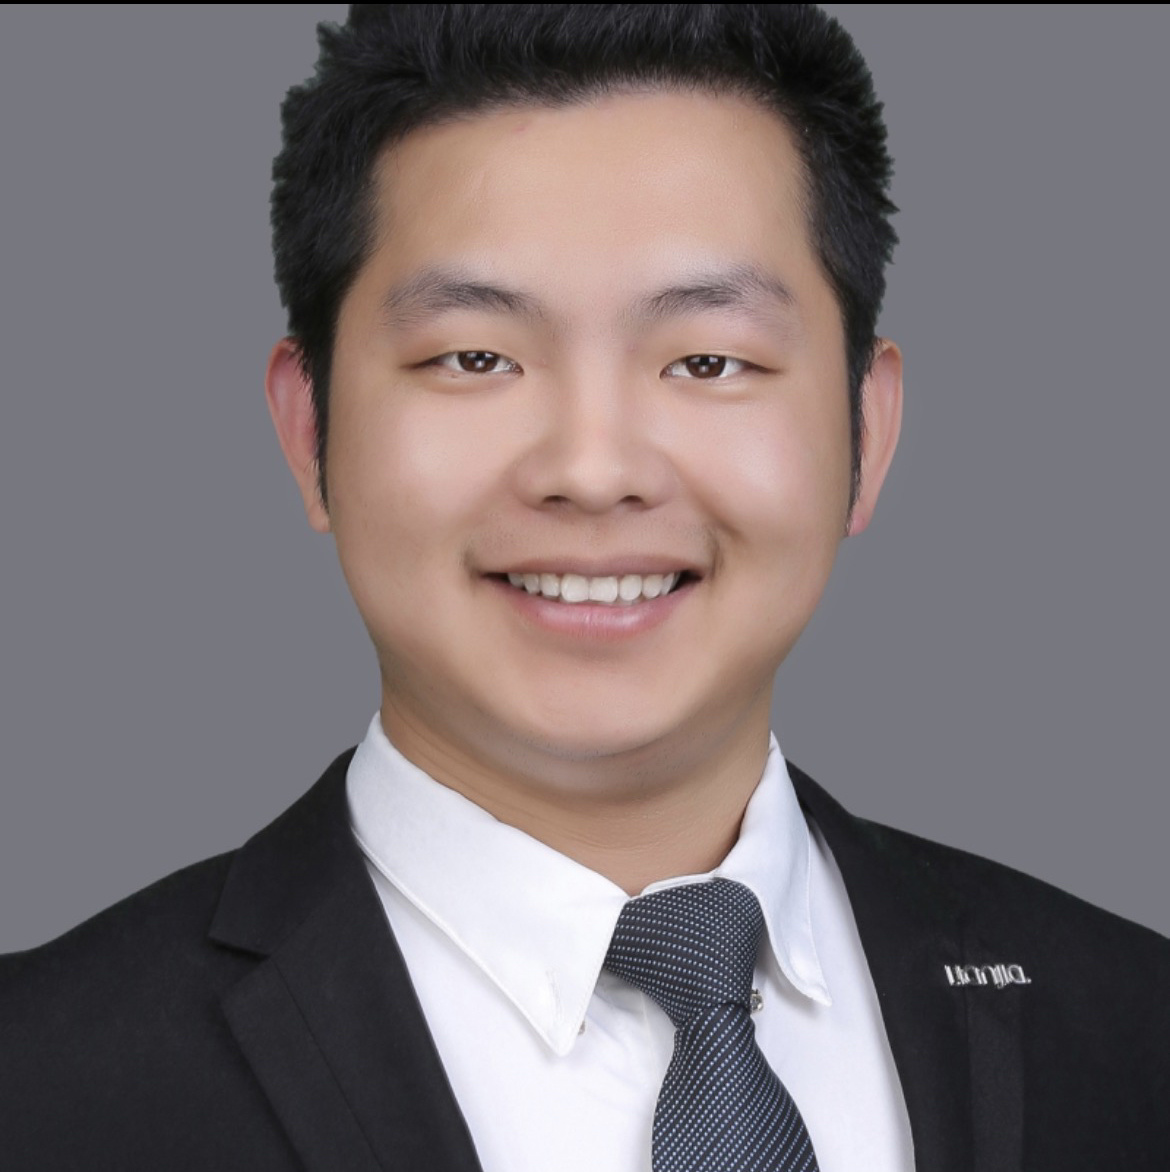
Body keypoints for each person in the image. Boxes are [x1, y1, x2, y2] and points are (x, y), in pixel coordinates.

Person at [2, 6, 1166, 1171]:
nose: (594, 469)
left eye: (708, 359)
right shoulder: (39, 1081)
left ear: (869, 428)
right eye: (475, 357)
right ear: (311, 428)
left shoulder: (1131, 1027)